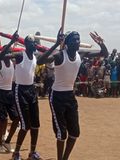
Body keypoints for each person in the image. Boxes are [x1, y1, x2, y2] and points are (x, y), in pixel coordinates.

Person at [37, 29, 108, 160]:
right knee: (61, 133)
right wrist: (56, 44)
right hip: (57, 96)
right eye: (75, 39)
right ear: (68, 42)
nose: (78, 41)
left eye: (79, 39)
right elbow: (40, 61)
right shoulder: (59, 56)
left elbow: (104, 53)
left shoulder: (80, 54)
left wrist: (100, 42)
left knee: (75, 132)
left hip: (70, 96)